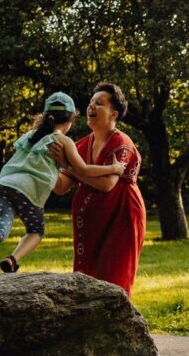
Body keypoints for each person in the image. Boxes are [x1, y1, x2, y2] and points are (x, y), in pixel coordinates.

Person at [0, 92, 124, 273]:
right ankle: (13, 259)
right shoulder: (62, 140)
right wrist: (114, 169)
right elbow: (84, 169)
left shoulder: (31, 135)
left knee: (0, 230)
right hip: (27, 191)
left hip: (2, 185)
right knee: (36, 230)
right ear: (70, 120)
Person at [50, 82, 146, 297]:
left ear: (114, 114)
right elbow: (61, 187)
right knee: (87, 282)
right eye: (91, 103)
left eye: (99, 103)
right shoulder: (81, 145)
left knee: (114, 279)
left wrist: (68, 165)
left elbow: (107, 184)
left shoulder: (122, 142)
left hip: (121, 218)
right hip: (91, 224)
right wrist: (43, 163)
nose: (91, 107)